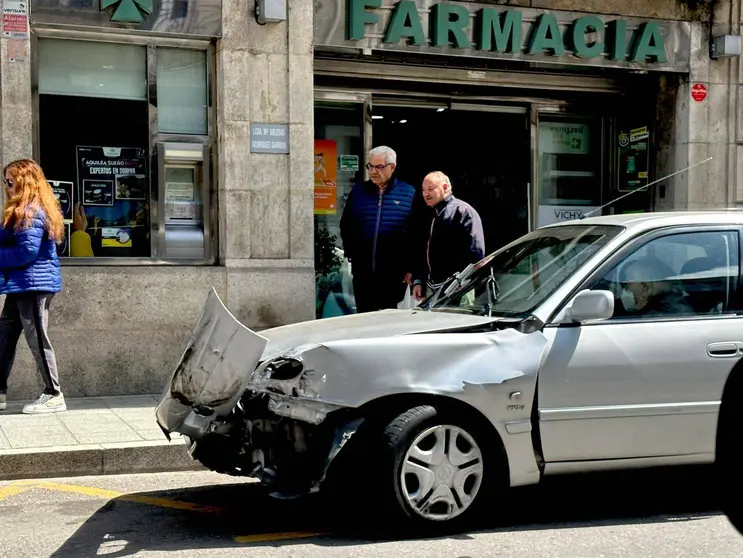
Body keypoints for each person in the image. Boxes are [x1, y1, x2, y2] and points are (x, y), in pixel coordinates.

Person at [0, 159, 66, 414]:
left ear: (25, 180)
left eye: (10, 180)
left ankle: (53, 394)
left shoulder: (32, 210)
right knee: (4, 338)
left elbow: (27, 251)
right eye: (5, 180)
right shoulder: (23, 210)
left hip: (33, 285)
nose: (7, 185)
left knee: (38, 339)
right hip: (21, 285)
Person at [340, 146, 425, 313]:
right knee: (364, 317)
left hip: (394, 274)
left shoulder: (408, 193)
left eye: (378, 167)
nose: (373, 171)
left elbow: (417, 234)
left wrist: (411, 269)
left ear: (392, 167)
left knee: (388, 319)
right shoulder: (359, 191)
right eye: (370, 166)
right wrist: (352, 252)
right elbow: (346, 225)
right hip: (363, 272)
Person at [413, 171, 486, 301]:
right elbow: (420, 249)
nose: (425, 194)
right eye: (423, 190)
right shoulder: (427, 214)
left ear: (445, 187)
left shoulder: (463, 211)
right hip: (430, 289)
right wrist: (419, 280)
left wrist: (461, 282)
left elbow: (476, 254)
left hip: (458, 289)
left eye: (430, 189)